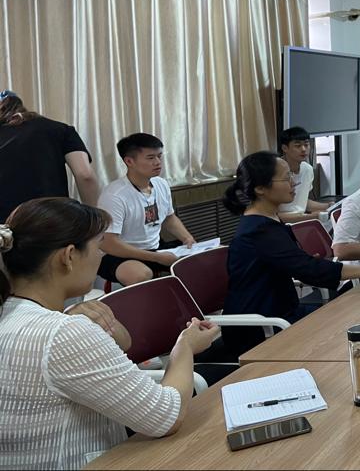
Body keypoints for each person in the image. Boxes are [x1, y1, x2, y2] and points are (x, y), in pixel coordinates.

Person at [0, 197, 219, 470]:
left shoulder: (17, 313)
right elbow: (166, 416)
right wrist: (185, 347)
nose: (101, 255)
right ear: (68, 256)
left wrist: (74, 319)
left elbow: (123, 343)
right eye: (98, 246)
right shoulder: (63, 333)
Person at [221, 151, 360, 354]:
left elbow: (297, 265)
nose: (294, 183)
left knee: (356, 314)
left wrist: (304, 262)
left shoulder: (268, 222)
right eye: (286, 178)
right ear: (260, 188)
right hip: (261, 327)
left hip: (282, 313)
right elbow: (309, 269)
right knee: (349, 326)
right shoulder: (258, 230)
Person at [96, 133, 196, 286]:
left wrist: (187, 239)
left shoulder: (161, 184)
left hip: (155, 248)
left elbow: (169, 218)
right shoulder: (114, 195)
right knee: (140, 275)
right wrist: (156, 258)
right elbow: (108, 243)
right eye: (150, 158)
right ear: (129, 161)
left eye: (159, 156)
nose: (158, 162)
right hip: (119, 254)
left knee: (201, 259)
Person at [0, 90, 100, 222]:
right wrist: (94, 220)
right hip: (52, 220)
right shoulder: (60, 129)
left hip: (5, 224)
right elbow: (85, 175)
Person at [277, 126, 331, 224]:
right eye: (298, 146)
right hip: (280, 225)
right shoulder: (275, 171)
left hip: (301, 221)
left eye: (306, 144)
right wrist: (311, 217)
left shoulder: (307, 169)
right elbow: (273, 215)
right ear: (285, 148)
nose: (303, 149)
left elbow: (301, 202)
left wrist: (328, 206)